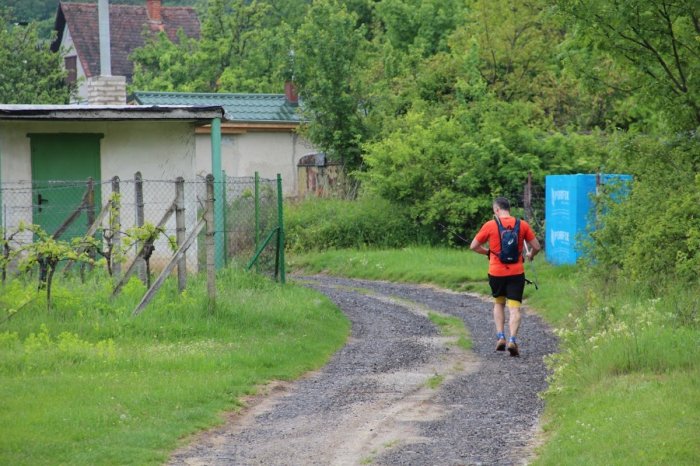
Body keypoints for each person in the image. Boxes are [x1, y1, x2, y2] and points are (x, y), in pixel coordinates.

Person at [469, 197, 541, 357]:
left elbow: (473, 246)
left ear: (496, 209)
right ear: (509, 208)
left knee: (499, 303)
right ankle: (512, 340)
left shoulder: (490, 225)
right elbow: (536, 246)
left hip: (496, 272)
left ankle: (501, 336)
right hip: (516, 273)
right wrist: (530, 254)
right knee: (514, 308)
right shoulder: (522, 225)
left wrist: (488, 252)